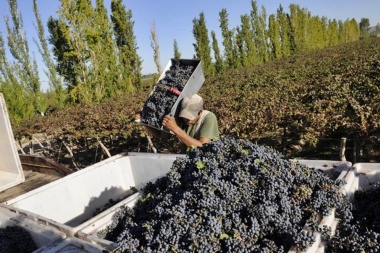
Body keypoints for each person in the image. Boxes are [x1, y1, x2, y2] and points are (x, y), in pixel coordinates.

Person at [136, 94, 219, 150]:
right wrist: (144, 122)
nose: (188, 120)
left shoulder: (208, 118)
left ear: (200, 112)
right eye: (185, 116)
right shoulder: (180, 119)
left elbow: (203, 148)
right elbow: (160, 135)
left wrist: (175, 128)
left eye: (191, 117)